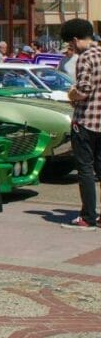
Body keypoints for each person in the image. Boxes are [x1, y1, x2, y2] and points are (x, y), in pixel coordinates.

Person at [59, 19, 101, 231]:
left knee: (85, 170)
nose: (71, 48)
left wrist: (72, 95)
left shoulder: (85, 58)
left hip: (86, 122)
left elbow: (84, 89)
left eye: (70, 43)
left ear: (75, 40)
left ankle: (87, 217)